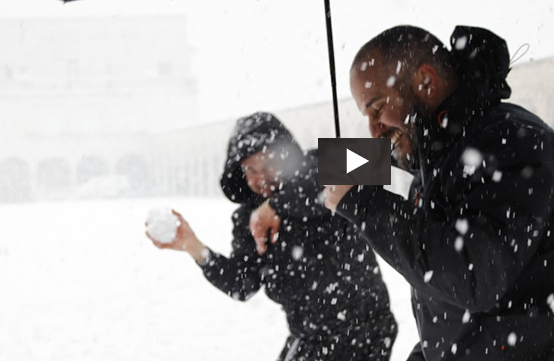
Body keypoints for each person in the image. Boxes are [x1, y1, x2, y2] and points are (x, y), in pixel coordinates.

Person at [321, 26, 554, 360]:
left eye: (377, 107)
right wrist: (281, 199)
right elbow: (321, 167)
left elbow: (474, 275)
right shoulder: (438, 159)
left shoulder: (508, 142)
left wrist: (363, 203)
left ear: (425, 81)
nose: (373, 128)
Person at [148, 111, 398, 361]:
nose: (261, 179)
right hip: (310, 339)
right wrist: (194, 247)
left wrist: (277, 205)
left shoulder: (321, 165)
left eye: (269, 166)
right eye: (250, 171)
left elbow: (376, 159)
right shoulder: (248, 218)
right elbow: (242, 285)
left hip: (366, 332)